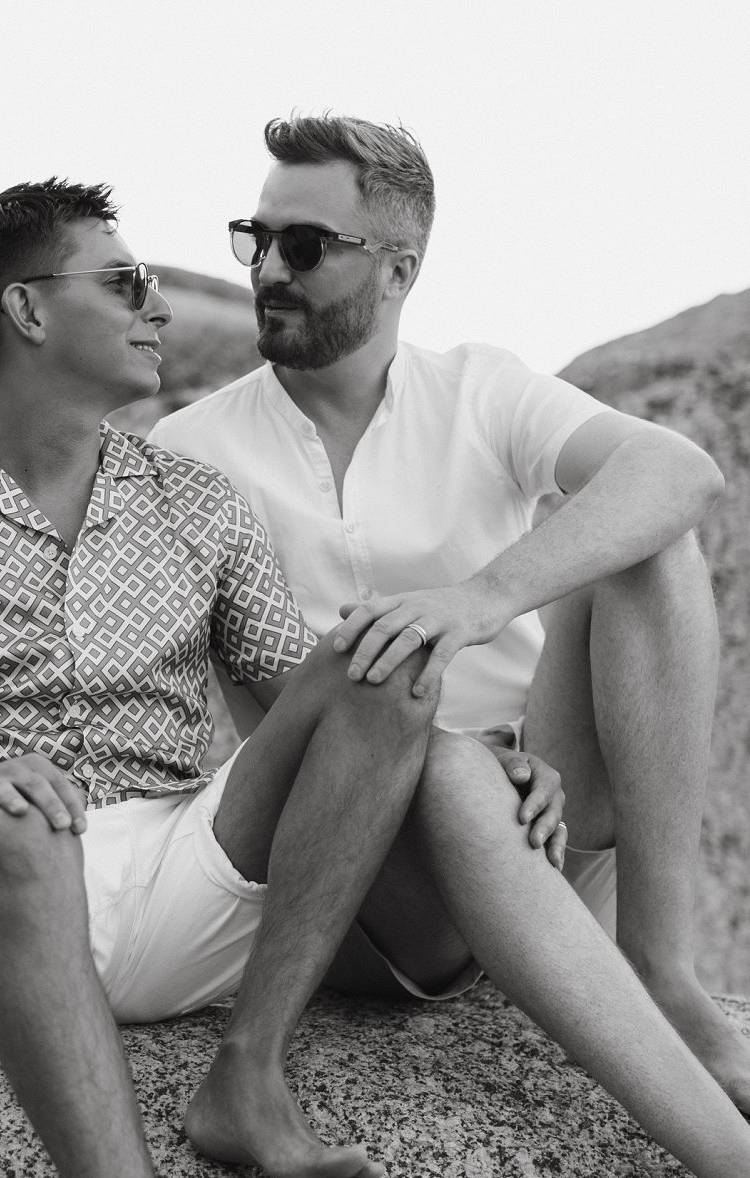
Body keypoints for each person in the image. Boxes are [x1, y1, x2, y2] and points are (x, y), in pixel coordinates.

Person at [0, 180, 750, 1178]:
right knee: (24, 830)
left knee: (386, 657)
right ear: (26, 310)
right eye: (122, 281)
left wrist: (477, 754)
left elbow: (309, 703)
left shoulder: (195, 500)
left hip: (183, 854)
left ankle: (245, 1069)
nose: (160, 301)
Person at [150, 111, 750, 1117]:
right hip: (374, 881)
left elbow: (678, 470)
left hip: (549, 817)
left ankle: (660, 969)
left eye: (305, 246)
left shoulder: (479, 388)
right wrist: (459, 760)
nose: (269, 270)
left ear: (398, 269)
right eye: (256, 239)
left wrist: (479, 600)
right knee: (414, 734)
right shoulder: (190, 451)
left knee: (651, 548)